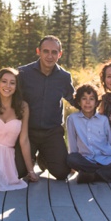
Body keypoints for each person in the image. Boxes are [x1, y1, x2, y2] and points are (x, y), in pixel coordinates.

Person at [14, 35, 75, 180]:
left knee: (62, 173)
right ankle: (32, 158)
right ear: (38, 52)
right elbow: (8, 94)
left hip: (52, 133)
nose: (50, 56)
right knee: (18, 172)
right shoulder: (23, 73)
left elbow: (75, 99)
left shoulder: (64, 77)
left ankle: (43, 158)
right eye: (46, 51)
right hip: (27, 132)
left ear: (59, 54)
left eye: (54, 52)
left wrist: (99, 104)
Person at [66, 83, 111, 184]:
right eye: (84, 99)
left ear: (96, 103)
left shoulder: (103, 119)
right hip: (87, 161)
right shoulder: (72, 119)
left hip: (108, 159)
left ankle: (94, 175)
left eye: (91, 99)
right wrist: (73, 165)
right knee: (71, 158)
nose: (87, 102)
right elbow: (72, 144)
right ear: (78, 101)